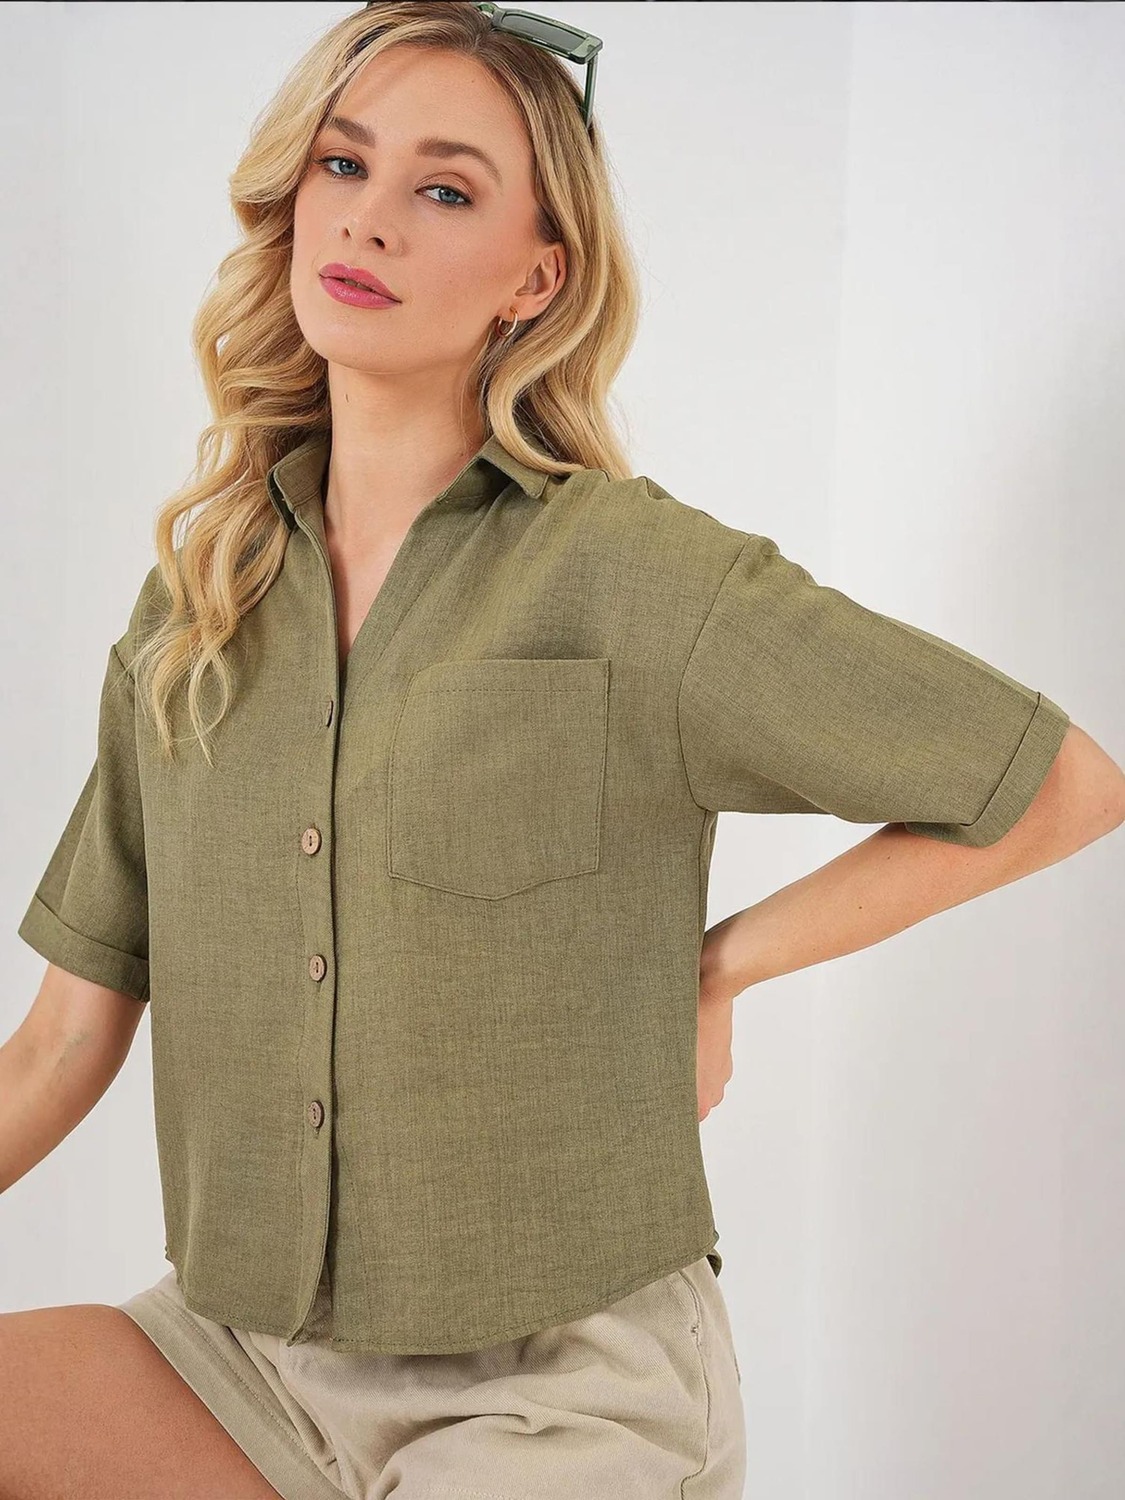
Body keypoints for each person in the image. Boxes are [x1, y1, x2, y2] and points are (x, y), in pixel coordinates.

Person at [2, 3, 1123, 1498]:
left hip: (559, 1390)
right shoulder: (201, 605)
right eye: (344, 164)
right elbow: (62, 1044)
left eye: (444, 188)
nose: (371, 218)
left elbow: (1056, 785)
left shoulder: (631, 575)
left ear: (539, 276)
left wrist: (716, 968)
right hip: (245, 1357)